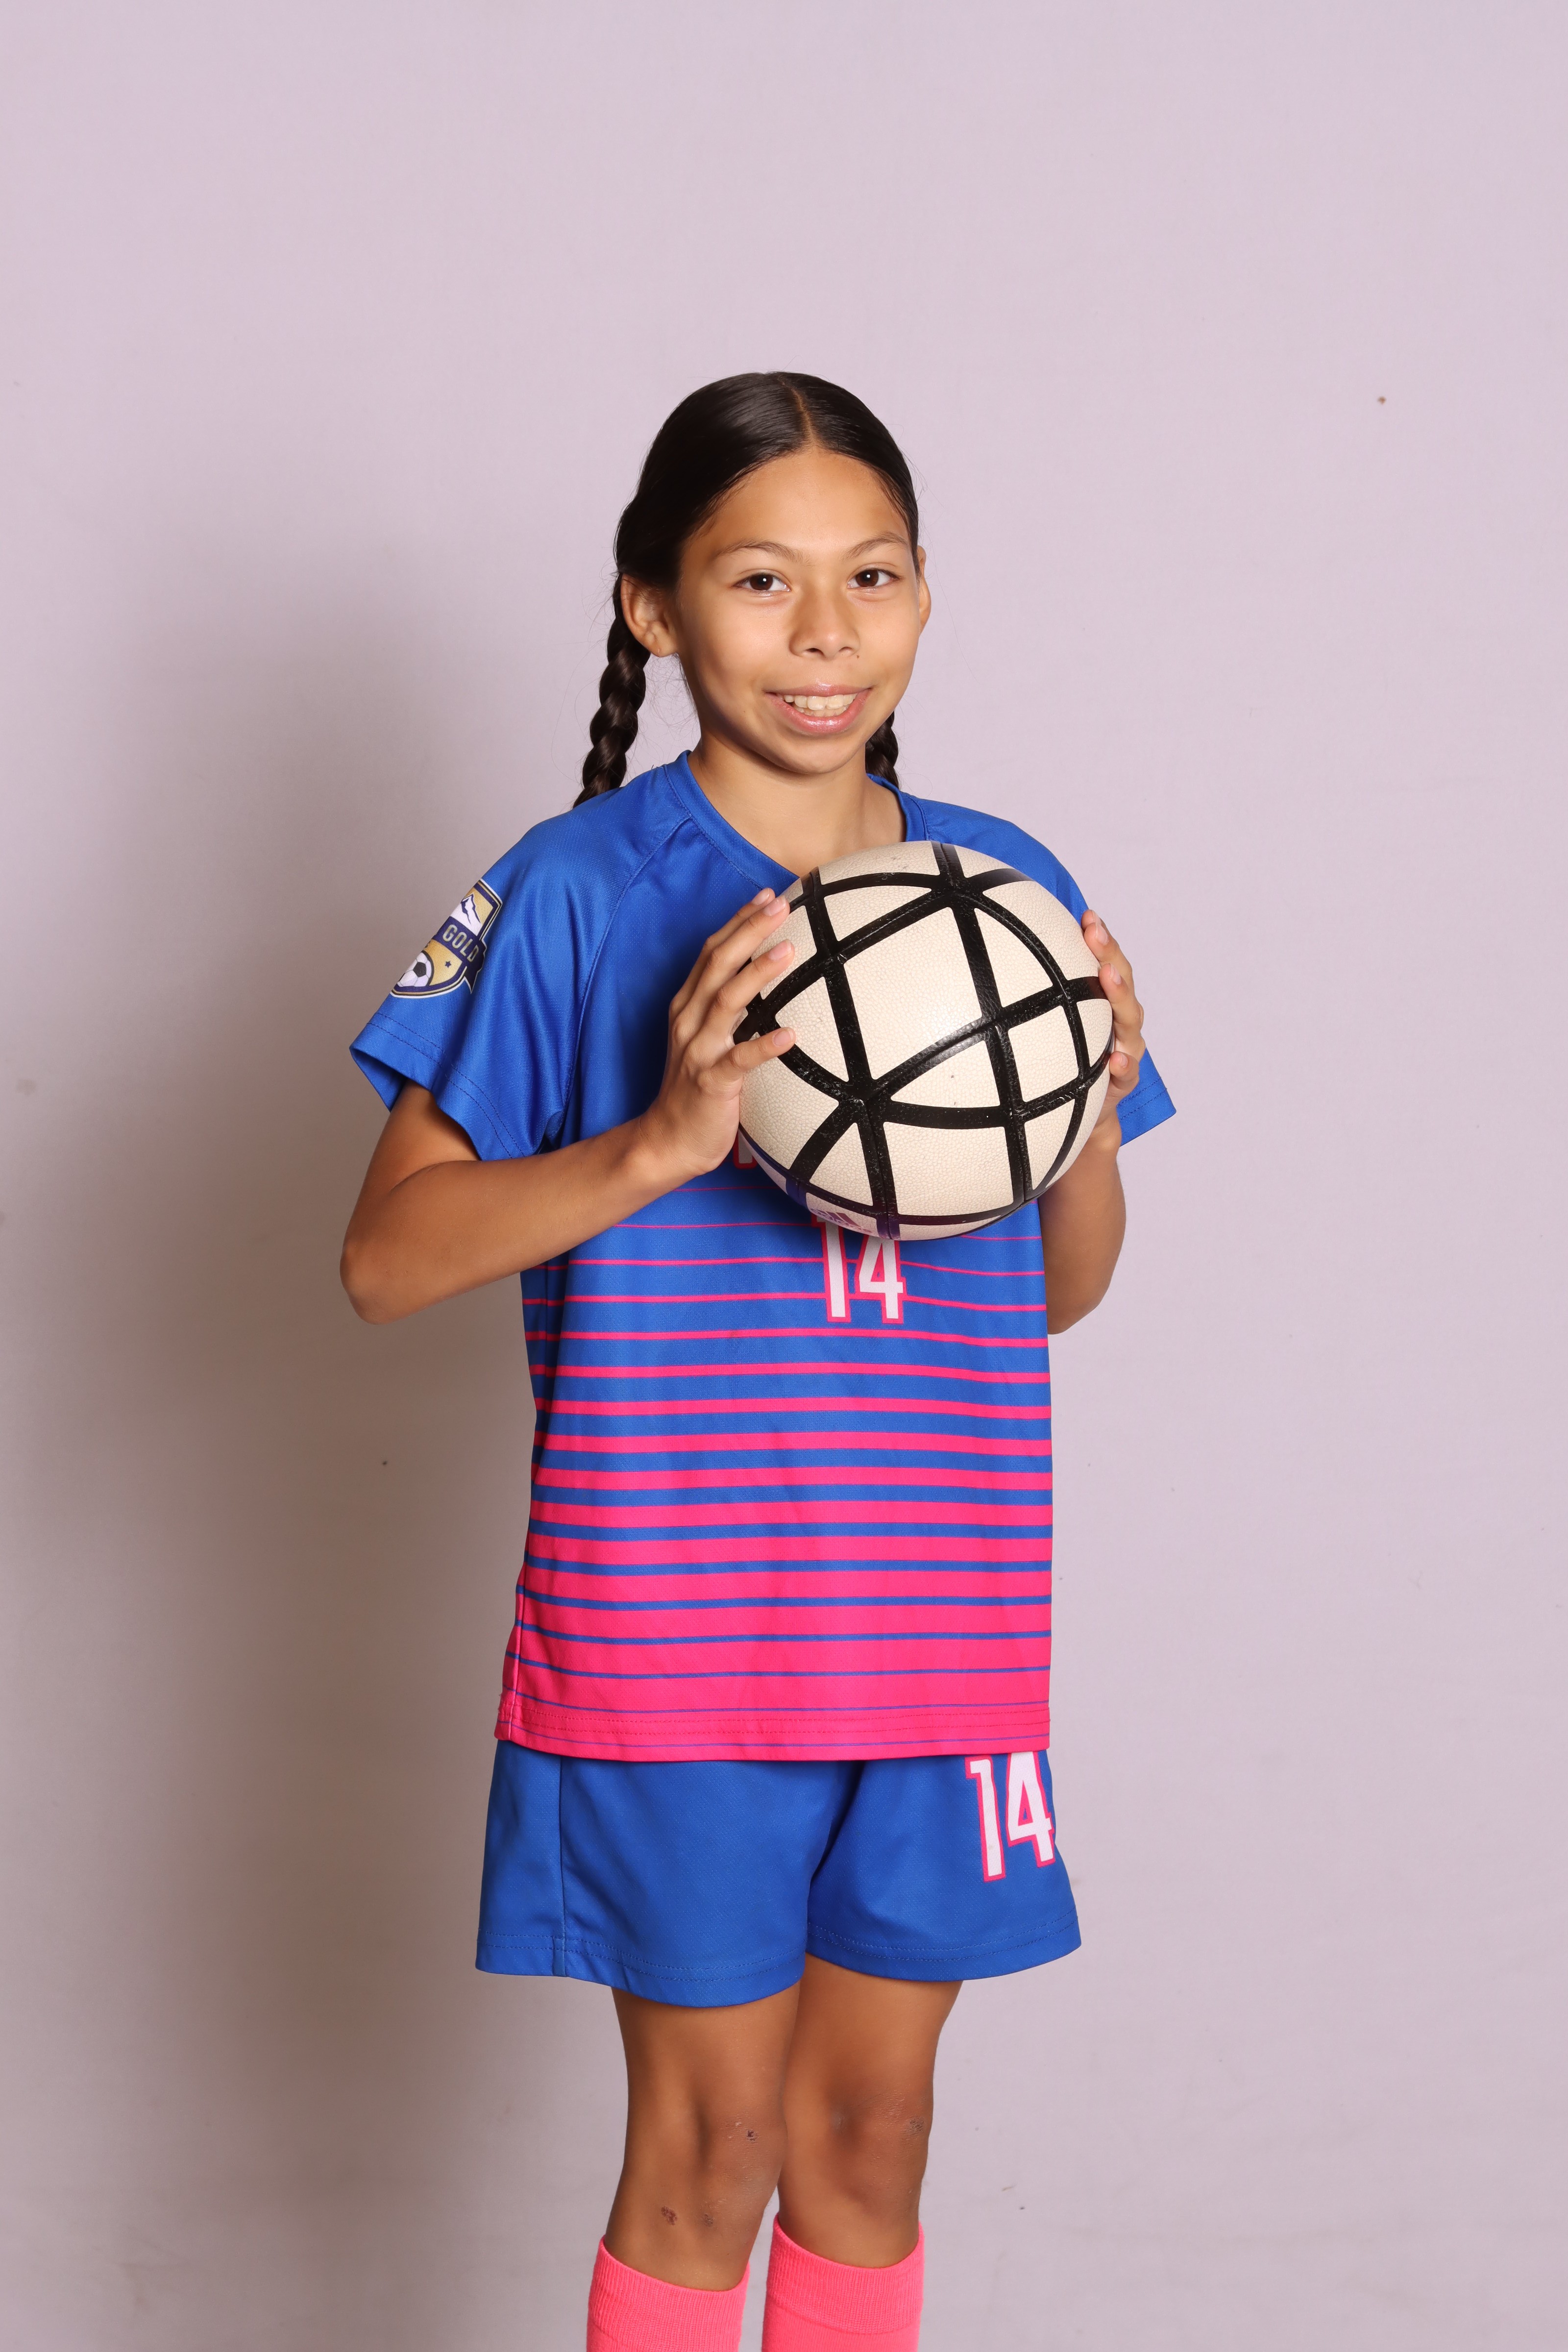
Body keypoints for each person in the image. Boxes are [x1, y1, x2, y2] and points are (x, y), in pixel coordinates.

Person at [342, 373, 1174, 2352]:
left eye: (871, 577)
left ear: (924, 594)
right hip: (679, 1634)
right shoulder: (578, 887)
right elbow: (383, 1263)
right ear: (652, 607)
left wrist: (1080, 1117)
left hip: (944, 1615)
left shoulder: (1002, 895)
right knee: (707, 2155)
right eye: (758, 580)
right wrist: (658, 1141)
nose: (824, 634)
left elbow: (1060, 1290)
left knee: (871, 2140)